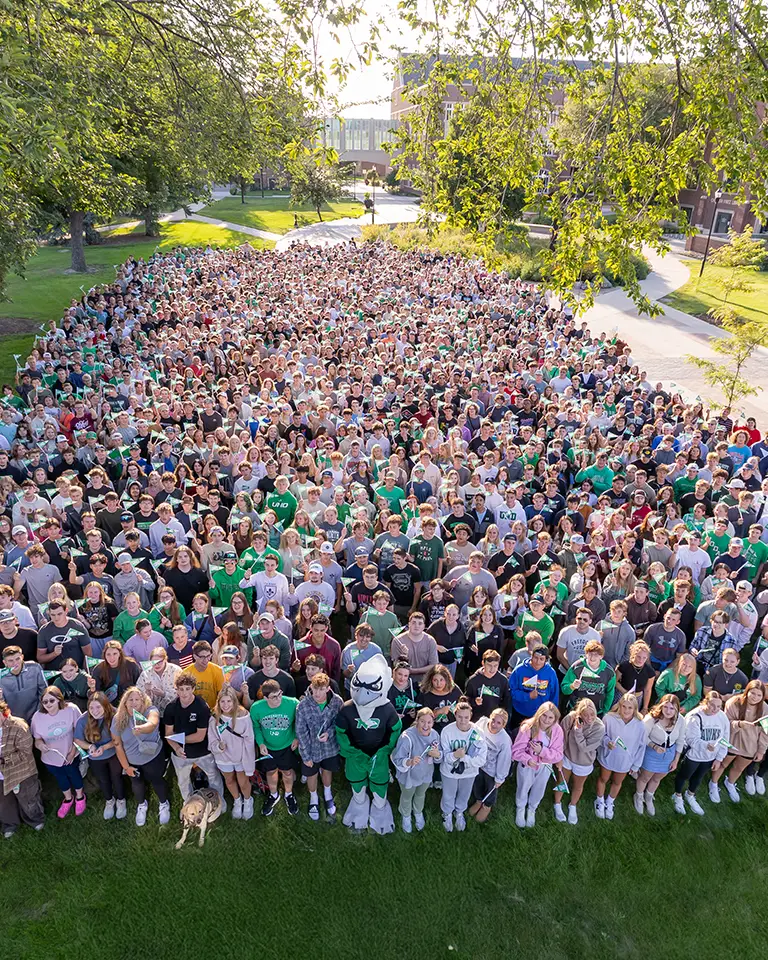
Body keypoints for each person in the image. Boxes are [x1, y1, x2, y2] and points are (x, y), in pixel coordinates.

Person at [111, 686, 171, 826]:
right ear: (125, 703)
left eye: (137, 699)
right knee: (136, 783)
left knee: (157, 780)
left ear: (143, 702)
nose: (134, 702)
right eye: (130, 699)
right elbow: (117, 744)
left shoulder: (151, 710)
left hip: (153, 757)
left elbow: (153, 723)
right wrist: (126, 767)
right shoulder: (118, 719)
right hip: (132, 761)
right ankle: (142, 805)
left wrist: (141, 728)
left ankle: (164, 803)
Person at [165, 672, 225, 803]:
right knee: (183, 781)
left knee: (214, 777)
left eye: (187, 689)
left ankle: (219, 802)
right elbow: (168, 733)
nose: (184, 693)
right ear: (176, 690)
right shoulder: (170, 708)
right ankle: (188, 804)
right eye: (181, 689)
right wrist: (176, 747)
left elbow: (200, 736)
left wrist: (180, 739)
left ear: (193, 689)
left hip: (203, 750)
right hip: (180, 752)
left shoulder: (201, 706)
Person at [671, 691, 730, 815]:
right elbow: (690, 739)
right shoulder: (695, 716)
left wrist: (719, 758)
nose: (715, 709)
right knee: (684, 775)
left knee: (698, 777)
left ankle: (690, 795)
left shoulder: (722, 716)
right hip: (694, 755)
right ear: (705, 702)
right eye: (712, 705)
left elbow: (725, 738)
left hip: (710, 756)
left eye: (718, 706)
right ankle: (677, 795)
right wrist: (706, 745)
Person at [295, 671, 343, 821]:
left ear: (328, 688)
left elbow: (339, 723)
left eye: (321, 689)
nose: (317, 693)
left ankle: (328, 794)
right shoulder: (303, 706)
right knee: (312, 774)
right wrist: (305, 755)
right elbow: (300, 731)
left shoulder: (337, 702)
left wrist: (329, 733)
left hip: (330, 747)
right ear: (311, 686)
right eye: (315, 688)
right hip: (311, 748)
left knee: (327, 770)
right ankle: (313, 798)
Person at [30, 686, 85, 818]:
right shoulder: (37, 717)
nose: (48, 704)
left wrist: (73, 752)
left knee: (74, 774)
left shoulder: (71, 709)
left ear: (59, 699)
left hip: (70, 753)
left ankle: (80, 797)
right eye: (45, 702)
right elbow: (37, 740)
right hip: (50, 758)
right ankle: (68, 799)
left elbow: (79, 732)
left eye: (51, 700)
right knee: (61, 778)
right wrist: (40, 746)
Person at [710, 679, 768, 803]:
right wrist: (739, 724)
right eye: (753, 693)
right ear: (747, 691)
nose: (755, 697)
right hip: (732, 740)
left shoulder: (765, 708)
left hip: (750, 745)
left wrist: (761, 750)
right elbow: (724, 724)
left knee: (739, 768)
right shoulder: (733, 702)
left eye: (759, 695)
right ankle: (713, 783)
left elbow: (765, 732)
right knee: (723, 764)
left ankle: (730, 782)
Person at [250, 679, 300, 816]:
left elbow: (300, 721)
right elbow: (256, 726)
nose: (278, 699)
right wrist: (260, 743)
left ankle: (289, 794)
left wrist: (296, 737)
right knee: (271, 771)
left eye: (279, 694)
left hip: (286, 745)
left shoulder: (293, 703)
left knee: (287, 772)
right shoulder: (256, 708)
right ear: (265, 698)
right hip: (268, 747)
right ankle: (273, 794)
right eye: (273, 697)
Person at [73, 692, 126, 820]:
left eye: (98, 707)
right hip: (95, 757)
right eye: (91, 707)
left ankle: (121, 800)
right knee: (103, 779)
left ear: (105, 705)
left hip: (113, 753)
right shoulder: (83, 720)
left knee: (117, 777)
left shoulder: (115, 715)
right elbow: (77, 740)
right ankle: (109, 800)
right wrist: (90, 746)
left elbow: (120, 737)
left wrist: (104, 747)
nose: (94, 711)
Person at [511, 701, 564, 828]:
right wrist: (527, 759)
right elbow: (516, 751)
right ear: (539, 714)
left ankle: (532, 809)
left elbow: (558, 754)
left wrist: (542, 752)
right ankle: (520, 808)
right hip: (528, 765)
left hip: (545, 765)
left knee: (539, 788)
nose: (546, 720)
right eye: (544, 715)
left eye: (550, 717)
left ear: (555, 719)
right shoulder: (528, 727)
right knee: (523, 787)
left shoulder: (557, 730)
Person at [595, 694, 647, 820]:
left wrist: (636, 765)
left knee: (617, 782)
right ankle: (599, 801)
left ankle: (610, 802)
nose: (626, 710)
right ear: (620, 705)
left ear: (635, 709)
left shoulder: (640, 724)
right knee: (603, 778)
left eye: (630, 708)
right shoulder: (609, 718)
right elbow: (601, 735)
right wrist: (607, 742)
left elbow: (641, 746)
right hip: (608, 756)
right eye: (624, 706)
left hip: (625, 761)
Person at [439, 697, 487, 832]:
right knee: (448, 794)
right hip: (449, 770)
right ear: (455, 715)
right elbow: (445, 756)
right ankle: (447, 813)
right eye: (460, 717)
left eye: (466, 717)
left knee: (464, 794)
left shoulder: (478, 732)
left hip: (469, 771)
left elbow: (481, 759)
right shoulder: (447, 731)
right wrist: (454, 755)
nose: (463, 721)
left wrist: (464, 758)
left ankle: (459, 812)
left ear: (471, 716)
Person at [391, 706, 443, 832]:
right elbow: (397, 758)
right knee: (407, 796)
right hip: (409, 775)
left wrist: (437, 755)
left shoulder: (435, 735)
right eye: (422, 721)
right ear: (417, 720)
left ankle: (418, 812)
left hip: (425, 773)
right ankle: (406, 815)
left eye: (429, 722)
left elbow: (439, 757)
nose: (426, 725)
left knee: (420, 794)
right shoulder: (407, 737)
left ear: (433, 722)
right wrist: (409, 761)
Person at [209, 684, 256, 820]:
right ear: (218, 702)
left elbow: (249, 739)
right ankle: (237, 800)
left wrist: (248, 759)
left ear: (234, 701)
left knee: (243, 782)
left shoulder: (243, 716)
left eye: (229, 701)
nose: (225, 705)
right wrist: (218, 747)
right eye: (222, 701)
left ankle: (247, 800)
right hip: (223, 757)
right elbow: (212, 738)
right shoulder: (214, 717)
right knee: (229, 780)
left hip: (241, 757)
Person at [634, 694, 686, 816]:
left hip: (669, 753)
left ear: (677, 709)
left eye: (672, 708)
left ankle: (649, 796)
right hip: (652, 751)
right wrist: (654, 746)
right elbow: (642, 737)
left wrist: (676, 760)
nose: (668, 711)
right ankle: (639, 796)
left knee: (657, 778)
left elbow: (680, 740)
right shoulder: (652, 719)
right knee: (645, 777)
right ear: (661, 706)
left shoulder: (680, 720)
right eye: (666, 707)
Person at [0, 696, 45, 838]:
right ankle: (9, 824)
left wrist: (3, 760)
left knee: (28, 798)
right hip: (1, 775)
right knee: (4, 802)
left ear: (3, 711)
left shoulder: (18, 725)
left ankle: (35, 819)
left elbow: (25, 752)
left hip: (21, 771)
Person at [555, 698, 605, 824]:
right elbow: (561, 737)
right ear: (579, 713)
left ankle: (572, 805)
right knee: (562, 782)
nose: (589, 718)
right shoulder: (570, 718)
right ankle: (557, 804)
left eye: (592, 714)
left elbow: (584, 748)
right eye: (585, 715)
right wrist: (560, 755)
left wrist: (578, 731)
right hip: (567, 756)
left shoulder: (599, 727)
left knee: (578, 786)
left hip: (584, 761)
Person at [468, 708, 512, 824]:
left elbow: (504, 760)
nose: (494, 724)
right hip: (478, 763)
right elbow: (473, 735)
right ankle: (478, 800)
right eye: (493, 720)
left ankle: (487, 806)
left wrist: (500, 778)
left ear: (503, 725)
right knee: (477, 784)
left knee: (490, 789)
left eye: (499, 723)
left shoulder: (505, 740)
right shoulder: (482, 723)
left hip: (491, 770)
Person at [508, 644, 559, 729]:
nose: (538, 662)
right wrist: (528, 696)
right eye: (535, 658)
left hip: (540, 715)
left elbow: (554, 695)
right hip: (519, 712)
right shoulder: (519, 670)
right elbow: (511, 691)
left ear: (546, 660)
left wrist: (552, 713)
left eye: (541, 659)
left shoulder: (551, 673)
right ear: (531, 656)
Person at [561, 640, 616, 715]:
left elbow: (610, 693)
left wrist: (605, 711)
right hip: (576, 711)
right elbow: (564, 689)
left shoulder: (609, 672)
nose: (592, 657)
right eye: (590, 654)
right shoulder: (577, 667)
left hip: (597, 712)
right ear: (586, 654)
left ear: (601, 656)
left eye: (596, 655)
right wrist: (572, 686)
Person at [0, 644, 46, 722]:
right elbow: (2, 704)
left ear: (22, 657)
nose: (15, 663)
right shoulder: (1, 676)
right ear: (4, 662)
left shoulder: (35, 668)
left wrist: (38, 714)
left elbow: (44, 692)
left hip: (37, 716)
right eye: (10, 660)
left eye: (17, 659)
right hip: (13, 720)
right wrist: (12, 720)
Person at [464, 649, 512, 720]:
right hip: (477, 719)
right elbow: (465, 700)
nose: (492, 669)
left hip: (495, 720)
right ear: (483, 663)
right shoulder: (473, 680)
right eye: (489, 665)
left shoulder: (503, 680)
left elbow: (507, 702)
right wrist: (474, 701)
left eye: (495, 666)